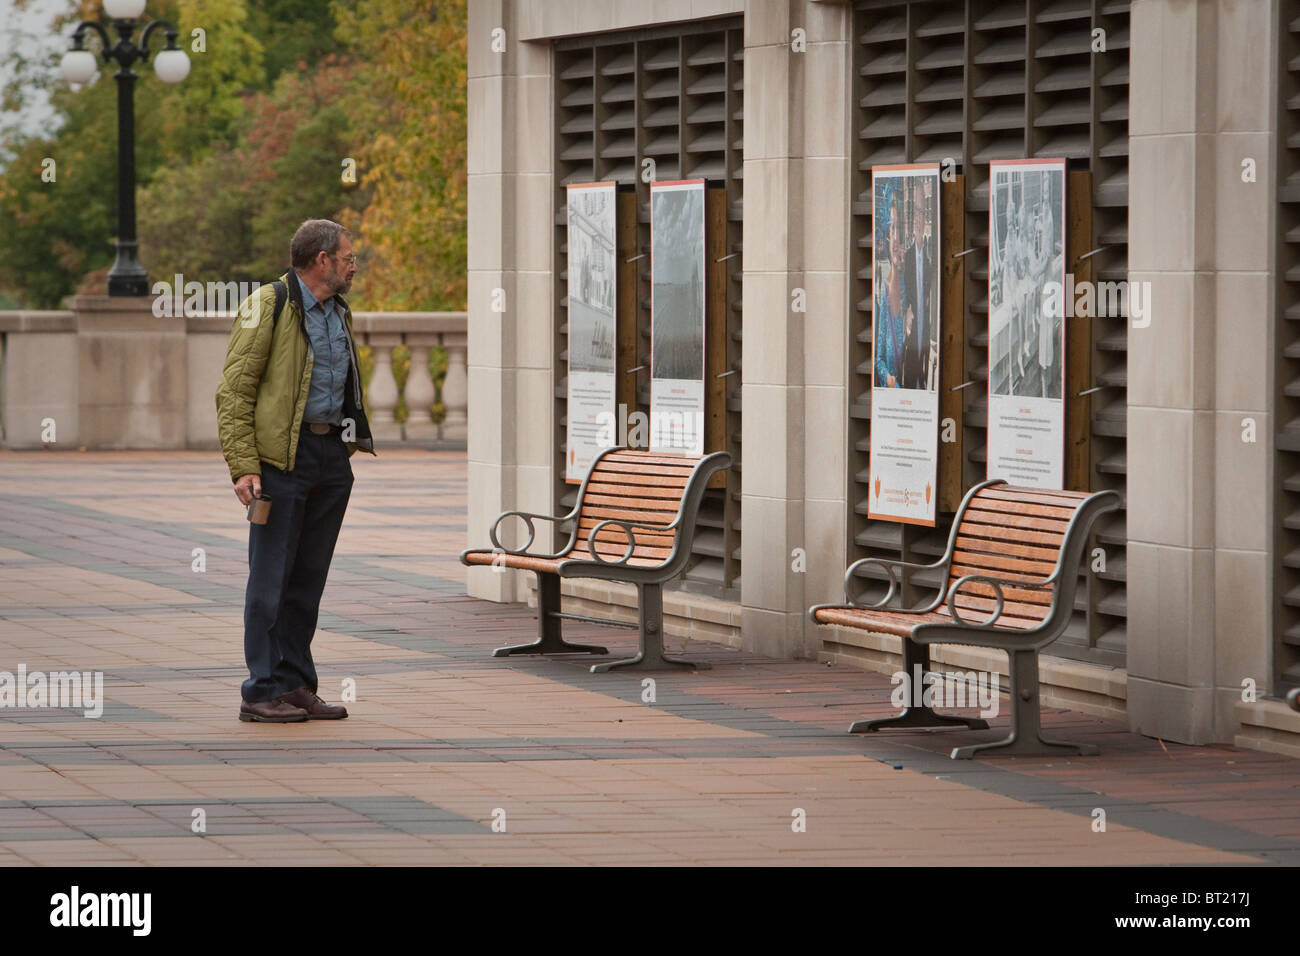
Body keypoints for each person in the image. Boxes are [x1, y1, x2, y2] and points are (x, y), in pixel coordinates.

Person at [215, 219, 375, 722]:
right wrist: (243, 465)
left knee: (308, 579)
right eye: (348, 257)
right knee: (270, 580)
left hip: (330, 457)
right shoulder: (270, 305)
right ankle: (259, 689)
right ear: (321, 259)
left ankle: (295, 683)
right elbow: (235, 391)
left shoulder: (338, 311)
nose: (354, 265)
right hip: (280, 462)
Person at [874, 193, 907, 388]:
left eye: (899, 230)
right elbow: (878, 358)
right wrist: (887, 377)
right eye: (892, 230)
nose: (895, 238)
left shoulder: (913, 289)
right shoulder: (884, 290)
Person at [902, 185, 933, 390]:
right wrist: (907, 310)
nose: (917, 219)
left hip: (928, 330)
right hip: (912, 329)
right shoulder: (908, 256)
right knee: (911, 378)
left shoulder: (931, 254)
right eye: (914, 213)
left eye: (921, 212)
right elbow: (903, 290)